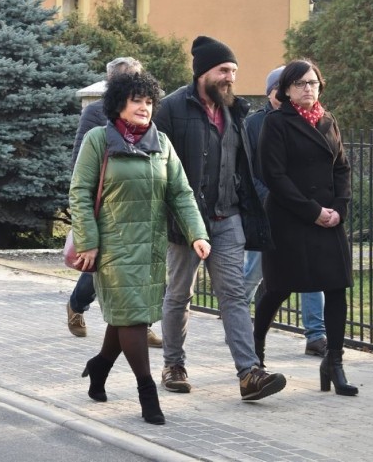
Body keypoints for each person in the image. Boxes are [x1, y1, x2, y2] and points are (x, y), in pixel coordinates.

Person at [70, 71, 210, 425]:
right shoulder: (98, 140)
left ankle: (99, 367)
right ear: (120, 103)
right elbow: (81, 194)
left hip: (151, 249)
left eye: (149, 102)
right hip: (112, 249)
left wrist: (197, 233)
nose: (144, 108)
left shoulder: (161, 143)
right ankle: (147, 394)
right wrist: (88, 242)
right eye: (137, 100)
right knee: (132, 317)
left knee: (129, 316)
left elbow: (180, 192)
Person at [153, 35, 286, 401]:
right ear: (203, 73)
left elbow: (242, 164)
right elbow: (158, 166)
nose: (231, 77)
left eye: (234, 71)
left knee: (233, 296)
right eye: (224, 70)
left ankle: (249, 373)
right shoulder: (171, 109)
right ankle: (174, 364)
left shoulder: (235, 111)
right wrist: (171, 215)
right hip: (185, 220)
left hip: (227, 218)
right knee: (180, 295)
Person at [253, 59, 357, 396]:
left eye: (312, 82)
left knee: (336, 286)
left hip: (329, 220)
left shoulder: (329, 120)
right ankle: (254, 356)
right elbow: (274, 175)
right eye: (300, 84)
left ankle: (334, 363)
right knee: (277, 288)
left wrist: (338, 209)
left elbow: (342, 168)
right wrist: (312, 211)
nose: (308, 88)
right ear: (286, 90)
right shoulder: (276, 123)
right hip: (289, 218)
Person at [66, 57, 163, 348]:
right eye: (125, 78)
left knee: (138, 271)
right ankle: (77, 305)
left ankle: (139, 325)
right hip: (108, 204)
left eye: (136, 76)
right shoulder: (96, 114)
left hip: (139, 205)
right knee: (99, 268)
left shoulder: (147, 114)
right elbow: (80, 162)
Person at [242, 66, 327, 357]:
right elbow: (250, 170)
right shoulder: (254, 124)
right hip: (269, 210)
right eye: (293, 84)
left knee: (313, 272)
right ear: (274, 91)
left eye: (308, 83)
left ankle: (316, 335)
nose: (302, 89)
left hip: (305, 212)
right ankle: (239, 325)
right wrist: (272, 198)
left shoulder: (312, 120)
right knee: (257, 273)